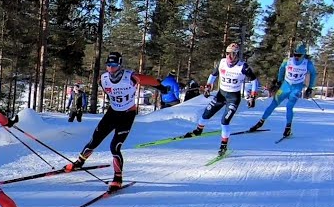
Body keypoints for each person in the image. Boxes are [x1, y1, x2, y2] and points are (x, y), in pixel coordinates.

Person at [63, 51, 162, 190]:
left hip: (127, 115)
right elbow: (108, 91)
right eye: (108, 65)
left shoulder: (130, 77)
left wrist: (161, 87)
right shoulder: (103, 79)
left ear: (120, 65)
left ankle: (117, 178)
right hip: (112, 113)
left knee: (115, 147)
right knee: (94, 140)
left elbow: (150, 80)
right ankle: (79, 162)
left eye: (114, 65)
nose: (111, 68)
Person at [181, 43, 259, 156]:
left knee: (224, 121)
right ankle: (198, 130)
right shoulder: (222, 63)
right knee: (206, 114)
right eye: (227, 53)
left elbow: (254, 81)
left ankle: (223, 146)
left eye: (233, 54)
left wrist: (252, 96)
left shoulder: (243, 67)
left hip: (233, 98)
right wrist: (208, 86)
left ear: (237, 55)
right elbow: (213, 75)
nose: (229, 57)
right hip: (221, 95)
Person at [249, 43, 317, 137]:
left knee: (289, 107)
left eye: (298, 55)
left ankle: (288, 128)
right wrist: (279, 81)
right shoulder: (288, 61)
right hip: (285, 86)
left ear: (303, 55)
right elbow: (281, 69)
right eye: (295, 55)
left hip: (296, 88)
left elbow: (314, 74)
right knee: (274, 103)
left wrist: (310, 87)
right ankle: (261, 122)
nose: (296, 57)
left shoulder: (307, 63)